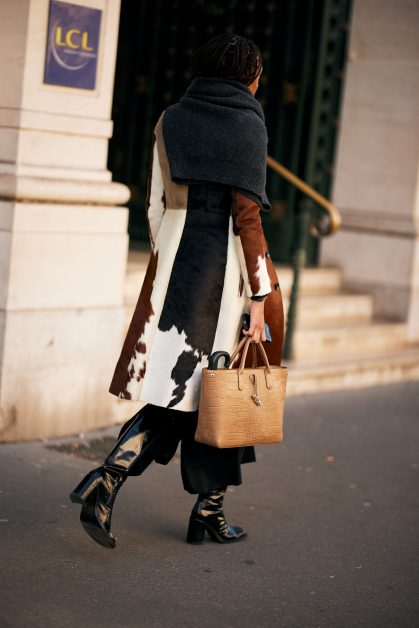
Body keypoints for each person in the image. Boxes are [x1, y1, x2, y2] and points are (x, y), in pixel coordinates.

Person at [69, 33, 285, 548]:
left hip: (174, 272)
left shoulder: (171, 119)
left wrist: (167, 257)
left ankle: (161, 495)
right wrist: (259, 297)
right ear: (248, 76)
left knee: (185, 393)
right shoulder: (248, 123)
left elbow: (155, 204)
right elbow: (247, 218)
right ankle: (183, 503)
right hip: (222, 278)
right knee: (220, 390)